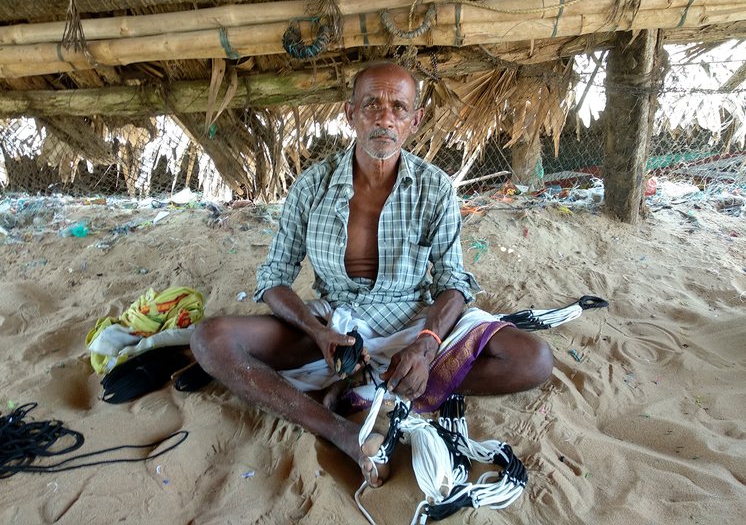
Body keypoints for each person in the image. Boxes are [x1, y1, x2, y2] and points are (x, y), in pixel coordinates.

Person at [191, 62, 553, 487]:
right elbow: (273, 278)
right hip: (336, 328)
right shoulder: (312, 187)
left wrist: (426, 346)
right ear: (350, 114)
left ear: (414, 121)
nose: (385, 119)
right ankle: (342, 429)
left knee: (534, 359)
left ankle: (368, 392)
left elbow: (454, 282)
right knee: (209, 339)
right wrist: (316, 330)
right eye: (372, 105)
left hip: (412, 319)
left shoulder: (434, 187)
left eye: (398, 108)